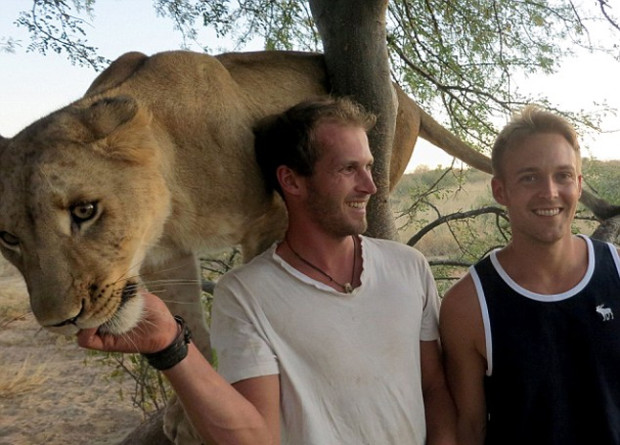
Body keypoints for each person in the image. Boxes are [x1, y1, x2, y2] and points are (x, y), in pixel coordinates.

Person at [79, 96, 456, 444]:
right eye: (348, 169)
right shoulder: (246, 295)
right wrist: (169, 345)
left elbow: (435, 388)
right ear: (291, 181)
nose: (370, 186)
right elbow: (255, 437)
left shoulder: (409, 267)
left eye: (368, 166)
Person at [439, 105, 620, 445]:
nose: (549, 192)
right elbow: (469, 427)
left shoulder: (617, 270)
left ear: (579, 185)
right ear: (500, 191)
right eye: (529, 177)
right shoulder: (468, 305)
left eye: (563, 175)